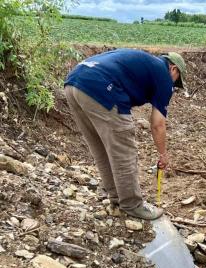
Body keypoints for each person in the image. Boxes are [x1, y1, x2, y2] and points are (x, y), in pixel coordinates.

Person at [64, 49, 186, 220]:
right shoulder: (163, 75)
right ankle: (132, 205)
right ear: (173, 69)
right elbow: (158, 124)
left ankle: (116, 199)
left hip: (74, 83)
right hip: (101, 87)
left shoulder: (146, 63)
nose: (173, 85)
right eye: (176, 81)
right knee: (124, 149)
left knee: (101, 147)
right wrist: (163, 154)